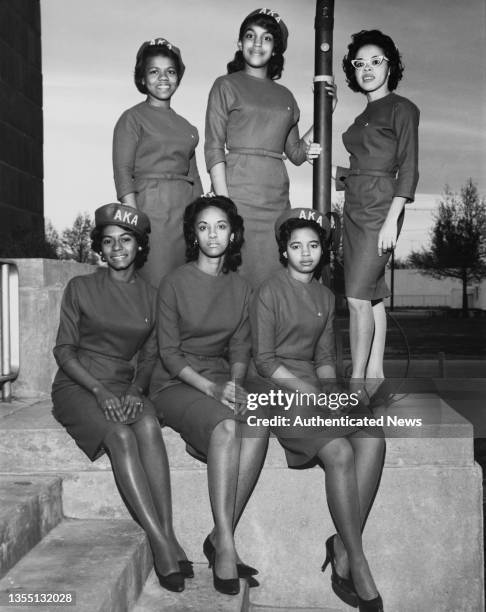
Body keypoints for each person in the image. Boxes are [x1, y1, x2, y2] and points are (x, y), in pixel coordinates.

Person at [250, 207, 386, 612]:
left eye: (312, 245)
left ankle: (342, 545)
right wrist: (306, 393)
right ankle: (356, 561)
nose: (305, 253)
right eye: (296, 246)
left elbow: (326, 356)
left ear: (322, 250)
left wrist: (328, 390)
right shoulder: (268, 291)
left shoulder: (326, 296)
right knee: (340, 451)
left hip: (313, 385)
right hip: (278, 386)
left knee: (373, 440)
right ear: (284, 251)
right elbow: (263, 359)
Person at [51, 203, 190, 593]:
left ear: (139, 246)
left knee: (147, 423)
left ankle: (169, 531)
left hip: (125, 385)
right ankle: (160, 542)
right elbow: (64, 351)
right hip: (79, 384)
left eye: (126, 241)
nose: (117, 248)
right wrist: (98, 390)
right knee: (121, 435)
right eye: (108, 241)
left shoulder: (152, 294)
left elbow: (150, 354)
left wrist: (133, 390)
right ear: (99, 246)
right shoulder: (80, 287)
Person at [150, 194, 269, 596]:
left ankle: (220, 535)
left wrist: (234, 382)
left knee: (258, 422)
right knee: (225, 427)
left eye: (220, 226)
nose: (212, 234)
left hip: (220, 376)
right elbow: (168, 354)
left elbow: (240, 346)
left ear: (233, 234)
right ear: (194, 236)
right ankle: (227, 549)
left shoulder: (241, 287)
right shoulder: (174, 283)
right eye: (203, 227)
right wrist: (214, 390)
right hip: (176, 382)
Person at [309, 30, 419, 401]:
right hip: (354, 206)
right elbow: (358, 169)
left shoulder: (402, 108)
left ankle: (356, 387)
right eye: (359, 63)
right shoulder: (363, 114)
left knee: (355, 298)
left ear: (391, 65)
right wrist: (326, 165)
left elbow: (408, 168)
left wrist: (393, 219)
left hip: (381, 209)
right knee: (371, 297)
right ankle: (375, 374)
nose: (367, 69)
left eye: (376, 61)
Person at [204, 8, 335, 287]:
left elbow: (297, 154)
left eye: (266, 38)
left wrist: (326, 113)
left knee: (272, 278)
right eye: (250, 36)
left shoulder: (285, 96)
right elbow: (213, 145)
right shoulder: (225, 85)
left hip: (275, 197)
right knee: (235, 278)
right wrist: (225, 205)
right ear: (240, 43)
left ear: (276, 49)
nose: (257, 44)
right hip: (237, 192)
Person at [113, 37, 203, 289]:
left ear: (178, 78)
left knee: (184, 285)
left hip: (184, 214)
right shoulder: (132, 118)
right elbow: (122, 172)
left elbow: (195, 179)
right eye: (154, 71)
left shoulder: (188, 128)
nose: (163, 77)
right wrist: (135, 222)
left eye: (170, 72)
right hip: (150, 212)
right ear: (142, 78)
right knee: (156, 283)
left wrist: (200, 222)